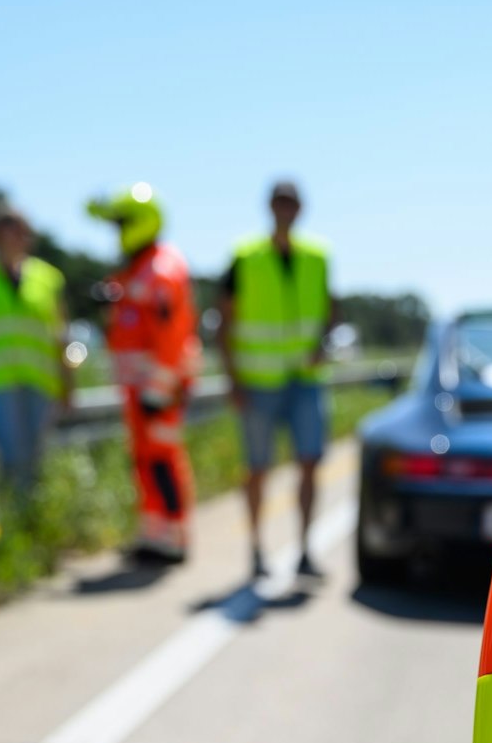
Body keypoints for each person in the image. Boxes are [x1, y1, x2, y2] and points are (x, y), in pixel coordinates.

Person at [216, 180, 337, 579]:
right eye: (280, 201)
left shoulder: (318, 256)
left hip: (305, 378)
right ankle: (256, 549)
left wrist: (324, 343)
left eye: (292, 202)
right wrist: (232, 379)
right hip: (258, 381)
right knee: (257, 467)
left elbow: (330, 308)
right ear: (269, 206)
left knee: (309, 462)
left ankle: (304, 550)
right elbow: (225, 319)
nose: (286, 208)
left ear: (300, 208)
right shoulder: (245, 256)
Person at [86, 183, 201, 563]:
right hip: (140, 390)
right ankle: (155, 536)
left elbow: (171, 338)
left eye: (121, 225)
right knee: (144, 460)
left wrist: (157, 390)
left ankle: (176, 537)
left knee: (162, 459)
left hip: (156, 390)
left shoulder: (161, 269)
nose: (117, 234)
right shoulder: (140, 268)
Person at [0, 203, 71, 492]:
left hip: (41, 381)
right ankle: (15, 519)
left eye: (20, 230)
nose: (15, 237)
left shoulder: (48, 277)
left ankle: (30, 519)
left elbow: (61, 334)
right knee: (13, 456)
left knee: (35, 457)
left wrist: (68, 382)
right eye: (9, 230)